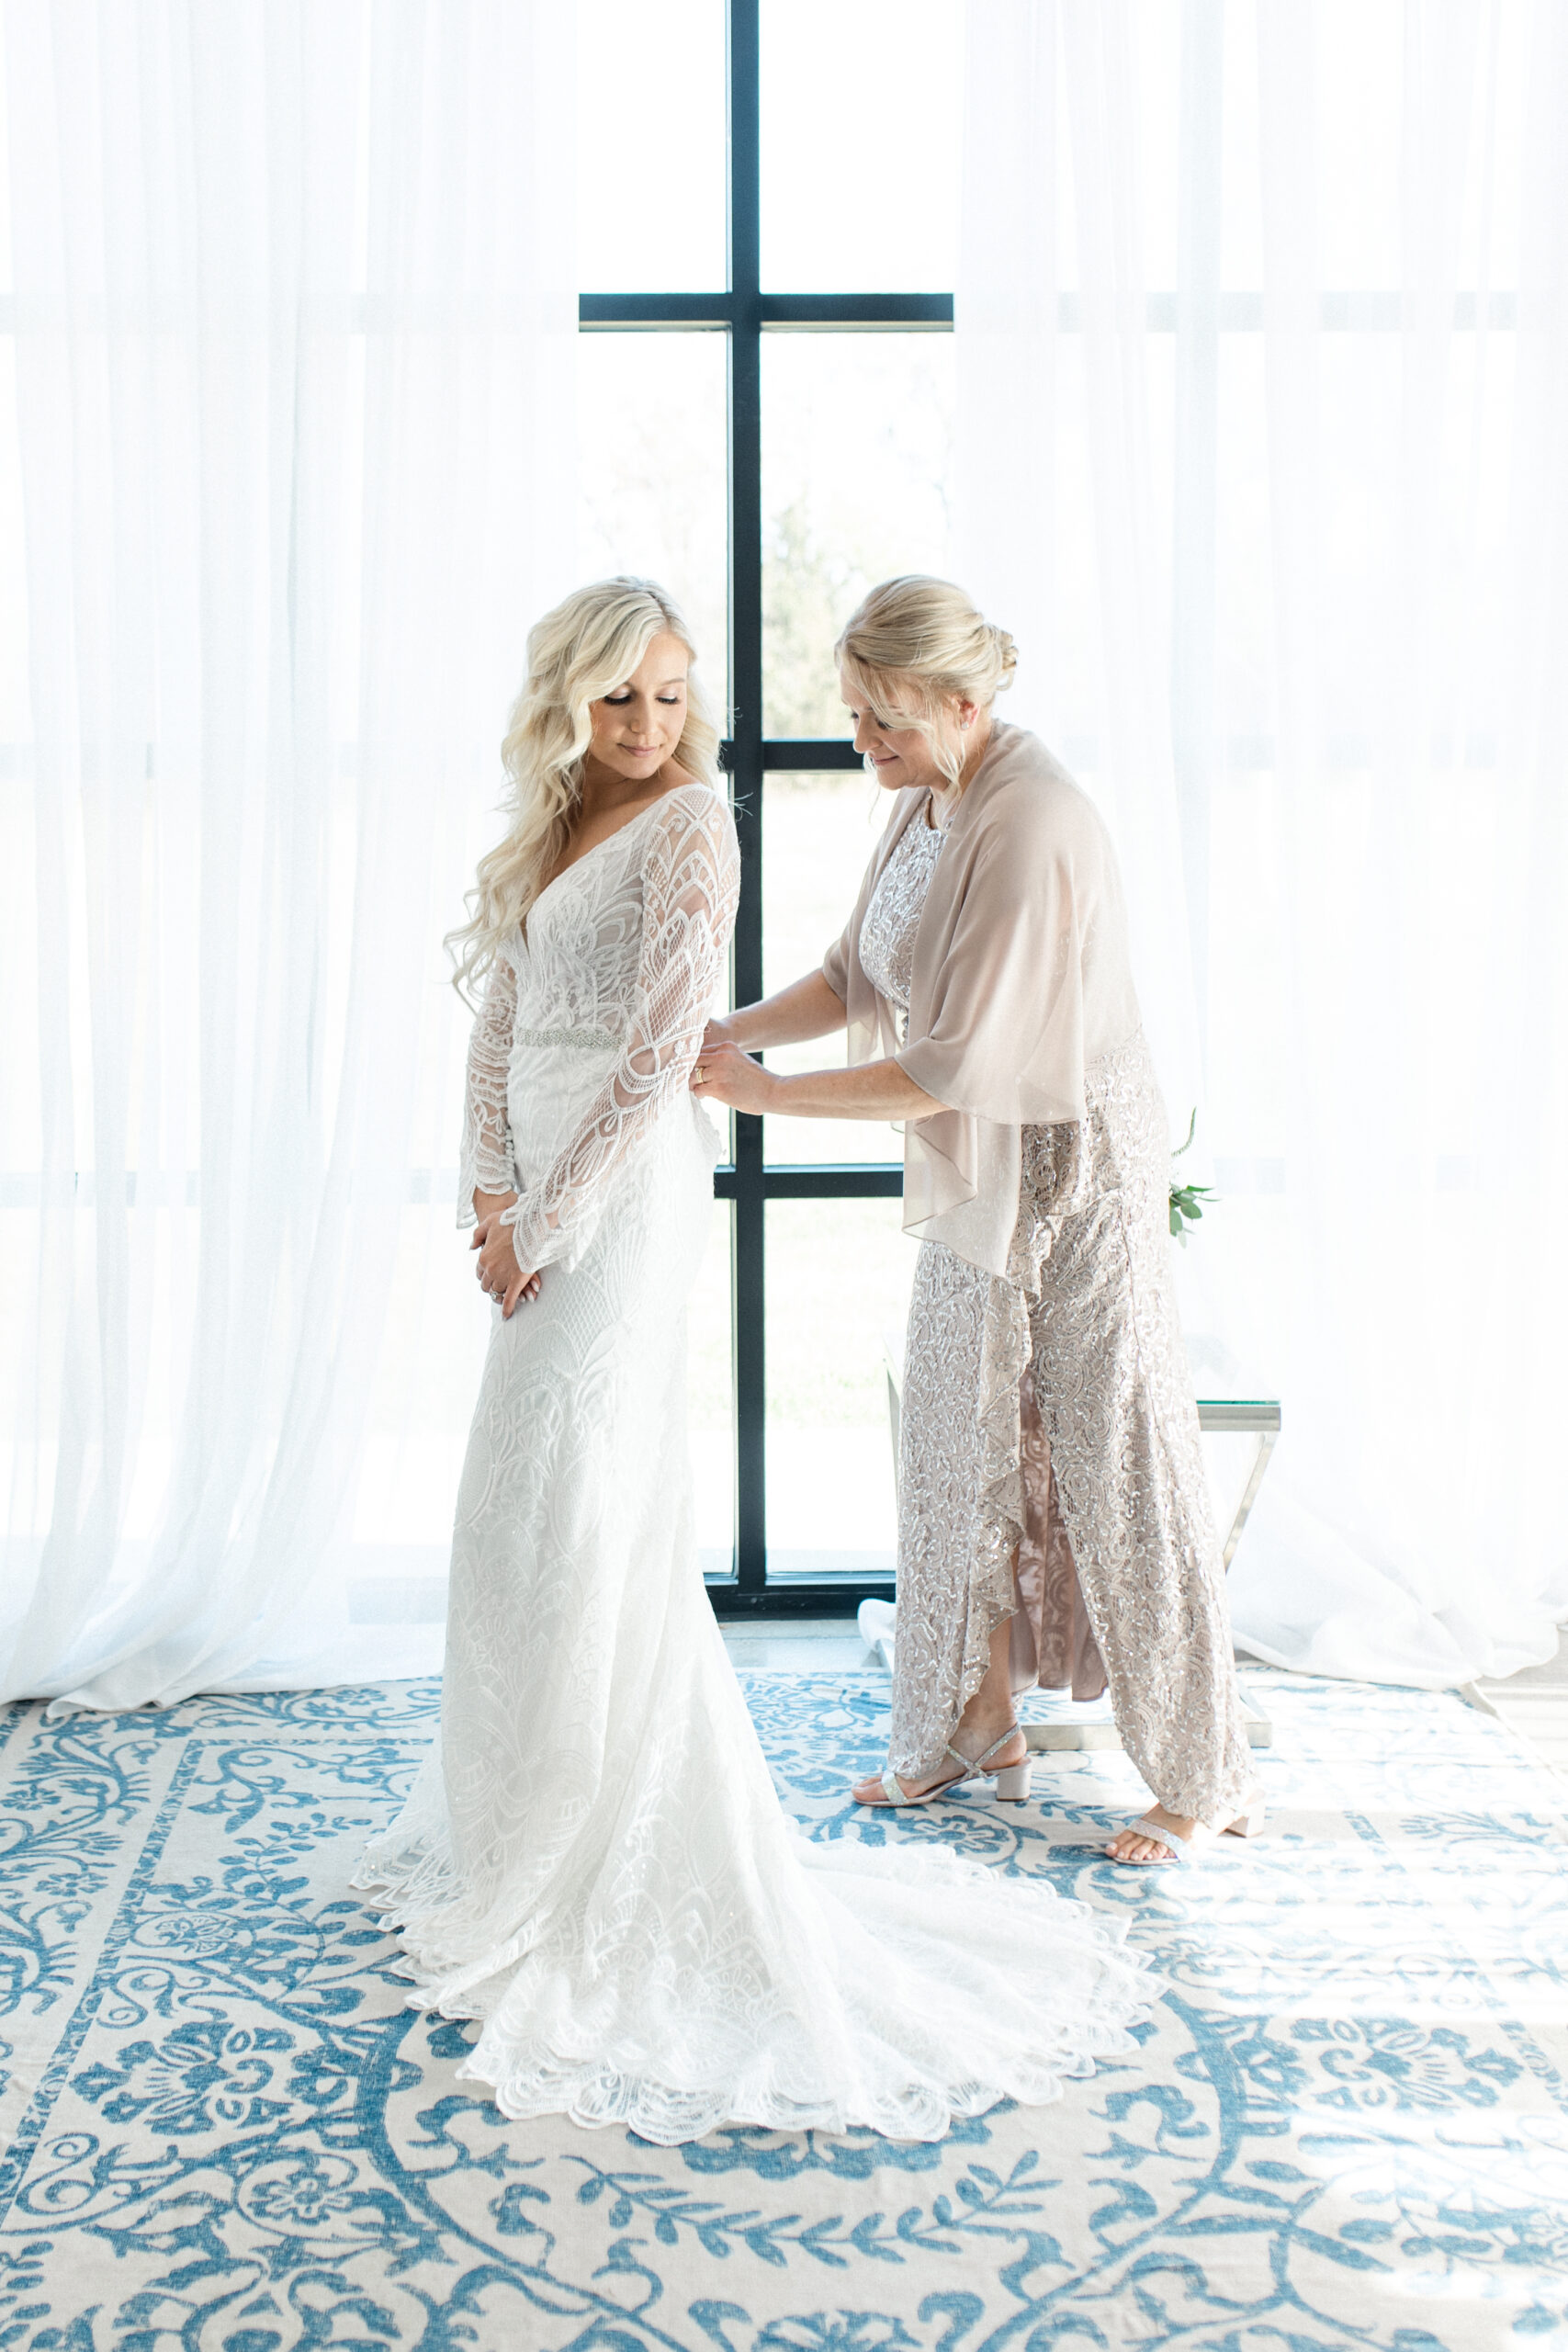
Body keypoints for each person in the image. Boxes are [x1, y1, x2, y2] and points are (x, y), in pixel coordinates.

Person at [355, 575, 1150, 2144]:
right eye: (617, 699)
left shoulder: (694, 827)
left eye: (668, 694)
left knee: (584, 1514)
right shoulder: (548, 826)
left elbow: (663, 1055)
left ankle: (598, 1844)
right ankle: (510, 1815)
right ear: (564, 705)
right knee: (510, 1522)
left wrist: (553, 1222)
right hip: (536, 1194)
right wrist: (489, 1193)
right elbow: (500, 1013)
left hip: (624, 1201)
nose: (648, 724)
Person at [694, 575, 1262, 1868]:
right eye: (852, 717)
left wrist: (766, 1096)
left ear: (964, 702)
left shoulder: (1032, 817)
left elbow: (950, 1066)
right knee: (951, 1441)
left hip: (1072, 1174)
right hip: (982, 1173)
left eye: (882, 721)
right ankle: (969, 1722)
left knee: (1116, 1461)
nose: (861, 744)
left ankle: (1202, 1771)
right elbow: (852, 977)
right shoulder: (926, 798)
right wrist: (729, 1035)